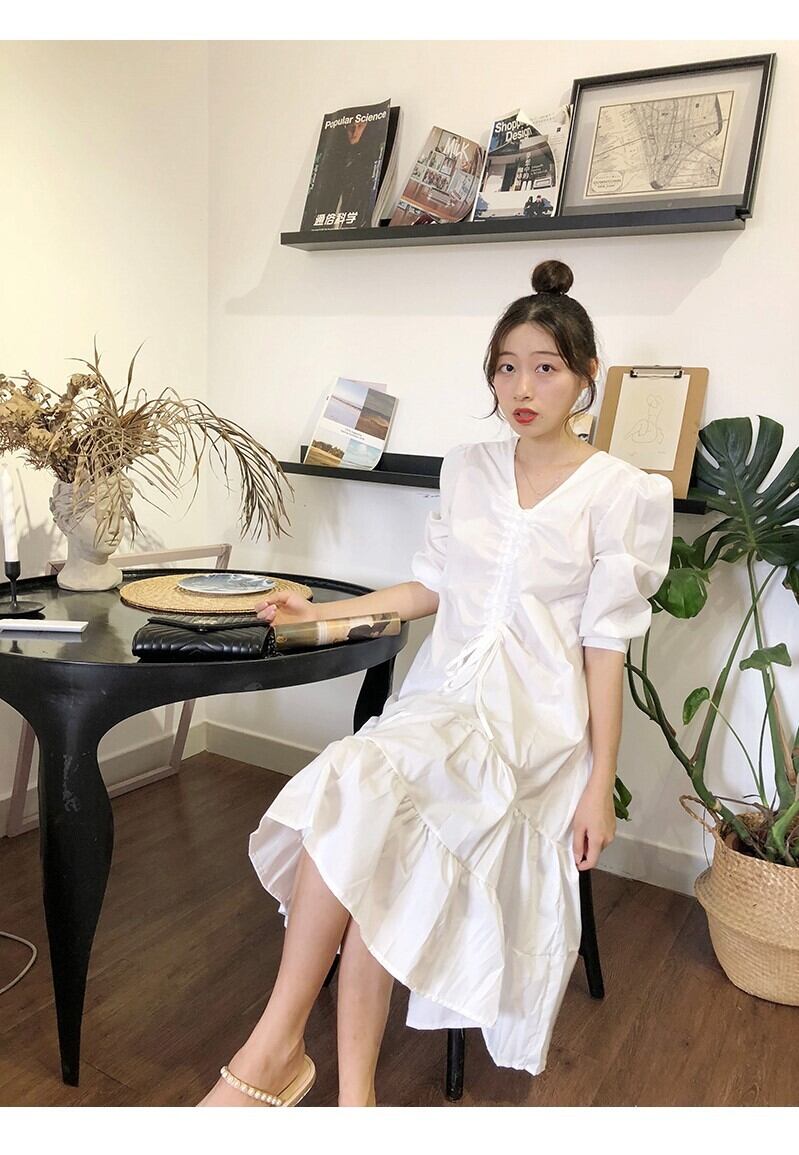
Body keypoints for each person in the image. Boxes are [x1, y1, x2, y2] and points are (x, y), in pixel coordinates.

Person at [197, 258, 674, 1108]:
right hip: (440, 703)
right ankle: (340, 1093)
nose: (520, 387)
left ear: (585, 375)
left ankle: (275, 1056)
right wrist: (316, 612)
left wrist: (598, 783)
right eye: (505, 367)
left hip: (530, 728)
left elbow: (605, 648)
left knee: (367, 795)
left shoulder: (620, 493)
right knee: (366, 802)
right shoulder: (468, 468)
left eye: (545, 368)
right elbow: (429, 586)